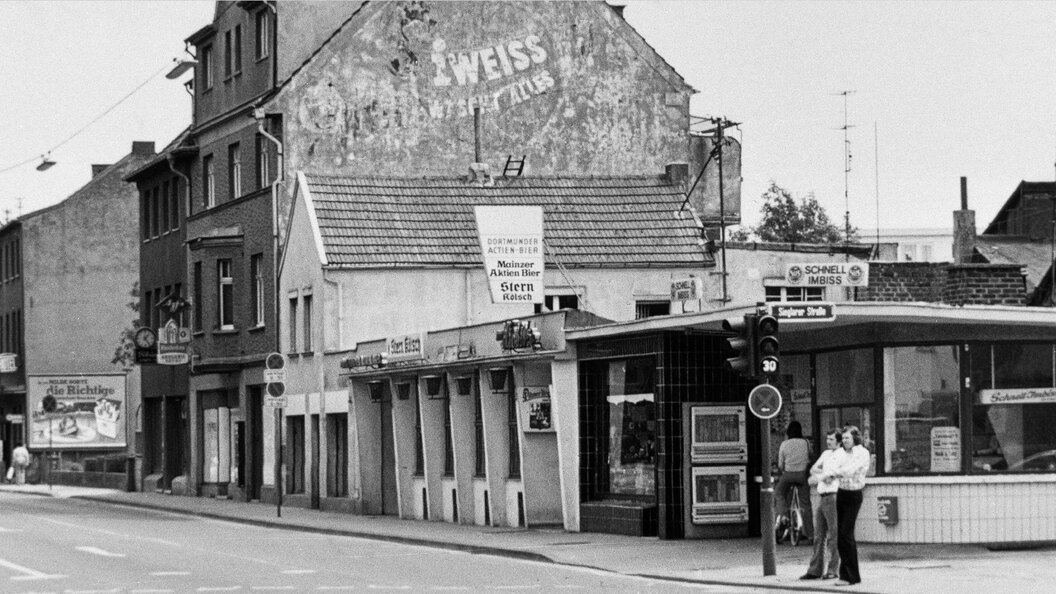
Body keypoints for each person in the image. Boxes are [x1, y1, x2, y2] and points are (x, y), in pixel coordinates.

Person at [823, 425, 871, 587]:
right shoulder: (840, 453)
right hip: (842, 493)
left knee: (846, 534)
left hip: (854, 495)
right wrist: (833, 472)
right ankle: (848, 575)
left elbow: (851, 470)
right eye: (842, 438)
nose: (844, 441)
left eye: (847, 438)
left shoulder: (862, 453)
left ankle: (851, 575)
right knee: (841, 536)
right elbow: (831, 467)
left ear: (855, 438)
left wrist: (835, 473)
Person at [800, 430, 843, 581]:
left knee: (834, 535)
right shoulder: (825, 454)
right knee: (819, 535)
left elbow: (835, 474)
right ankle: (815, 569)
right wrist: (824, 474)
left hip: (833, 495)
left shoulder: (842, 455)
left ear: (839, 441)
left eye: (831, 439)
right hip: (822, 495)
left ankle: (833, 569)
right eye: (827, 438)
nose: (828, 441)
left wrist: (821, 475)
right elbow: (813, 469)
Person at [775, 420, 813, 542]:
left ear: (788, 432)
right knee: (805, 505)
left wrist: (784, 470)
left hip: (788, 475)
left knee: (779, 493)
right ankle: (811, 535)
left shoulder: (784, 444)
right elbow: (811, 457)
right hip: (802, 476)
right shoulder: (806, 443)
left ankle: (784, 516)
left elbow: (781, 464)